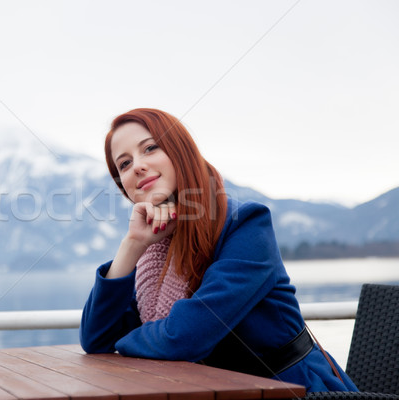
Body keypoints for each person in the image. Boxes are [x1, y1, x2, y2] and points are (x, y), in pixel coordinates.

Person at [79, 108, 358, 393]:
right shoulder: (156, 244)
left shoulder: (246, 224)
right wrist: (133, 244)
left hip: (291, 387)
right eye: (124, 164)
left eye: (150, 148)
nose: (137, 166)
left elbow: (187, 336)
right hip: (209, 389)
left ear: (180, 151)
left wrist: (125, 341)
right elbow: (96, 338)